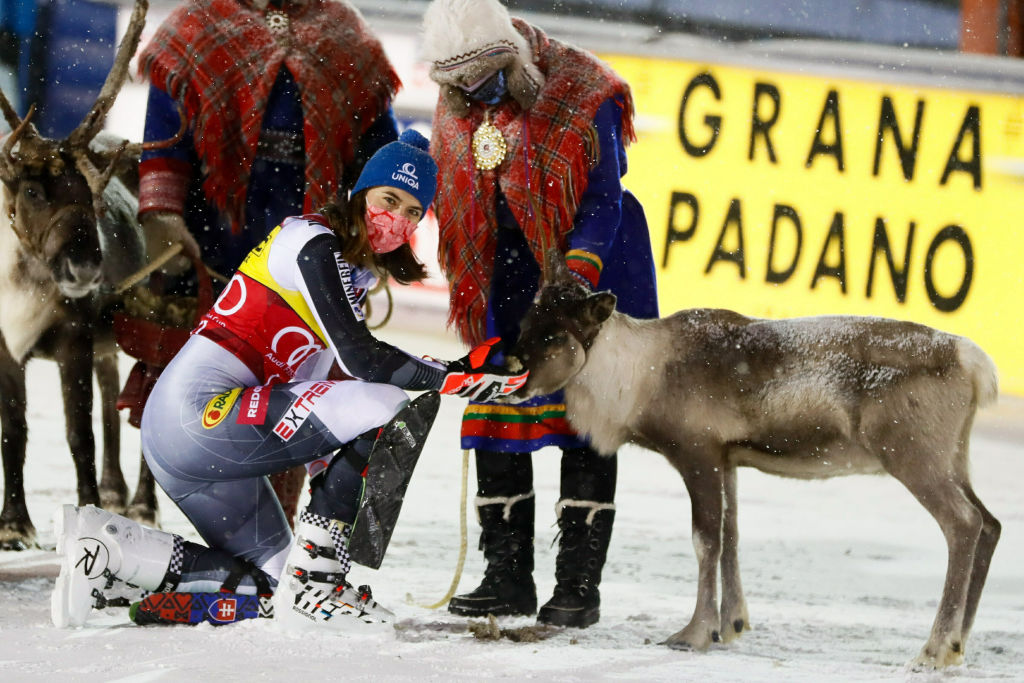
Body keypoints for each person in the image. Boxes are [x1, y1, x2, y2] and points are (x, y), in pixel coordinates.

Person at [51, 130, 528, 631]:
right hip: (195, 417)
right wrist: (449, 375)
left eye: (412, 212)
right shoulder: (312, 241)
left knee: (272, 588)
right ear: (360, 193)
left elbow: (328, 408)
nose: (398, 219)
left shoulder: (349, 276)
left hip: (203, 439)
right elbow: (364, 362)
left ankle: (109, 561)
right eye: (390, 199)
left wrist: (335, 509)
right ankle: (318, 582)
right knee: (386, 402)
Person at [420, 0, 659, 629]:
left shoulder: (586, 91)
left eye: (487, 79)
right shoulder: (456, 96)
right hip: (503, 274)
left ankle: (578, 585)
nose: (476, 94)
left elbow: (604, 201)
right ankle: (507, 578)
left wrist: (572, 283)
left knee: (588, 416)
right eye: (462, 87)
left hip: (592, 265)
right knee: (498, 402)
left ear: (512, 55)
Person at [127, 0, 403, 519]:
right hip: (215, 235)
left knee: (298, 383)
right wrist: (162, 214)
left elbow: (377, 150)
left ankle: (275, 519)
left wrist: (375, 232)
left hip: (309, 243)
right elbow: (166, 138)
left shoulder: (346, 37)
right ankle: (206, 509)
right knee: (204, 380)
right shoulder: (197, 27)